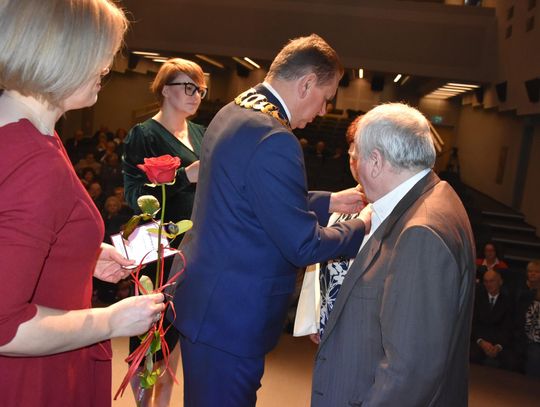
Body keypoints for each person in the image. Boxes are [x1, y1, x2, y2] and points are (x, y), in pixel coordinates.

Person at [170, 34, 367, 406]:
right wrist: (363, 226)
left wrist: (329, 202)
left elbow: (248, 196)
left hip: (208, 300)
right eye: (326, 97)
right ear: (306, 83)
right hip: (232, 316)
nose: (323, 110)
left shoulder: (234, 111)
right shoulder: (275, 137)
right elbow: (303, 244)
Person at [0, 1, 165, 407]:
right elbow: (6, 327)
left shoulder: (25, 129)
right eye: (100, 57)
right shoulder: (36, 161)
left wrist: (79, 257)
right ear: (61, 55)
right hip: (32, 381)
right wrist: (111, 320)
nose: (107, 69)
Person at [311, 103, 476, 406]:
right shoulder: (433, 196)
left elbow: (409, 372)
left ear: (375, 161)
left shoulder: (420, 232)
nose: (354, 166)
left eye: (356, 156)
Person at [122, 57, 206, 406]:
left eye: (200, 89)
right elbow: (133, 195)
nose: (196, 95)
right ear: (165, 90)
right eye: (188, 87)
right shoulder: (144, 135)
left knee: (176, 337)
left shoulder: (201, 133)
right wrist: (184, 176)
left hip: (195, 246)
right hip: (156, 248)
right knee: (150, 336)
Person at [470, 269, 518, 370]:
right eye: (486, 281)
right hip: (480, 340)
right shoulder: (476, 298)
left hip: (500, 342)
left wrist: (498, 346)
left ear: (500, 282)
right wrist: (481, 342)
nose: (488, 284)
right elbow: (473, 324)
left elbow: (509, 327)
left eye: (492, 281)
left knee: (512, 362)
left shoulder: (509, 301)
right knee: (471, 356)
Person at [514, 260, 540, 377]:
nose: (532, 274)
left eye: (536, 271)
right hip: (522, 334)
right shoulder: (521, 289)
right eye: (530, 271)